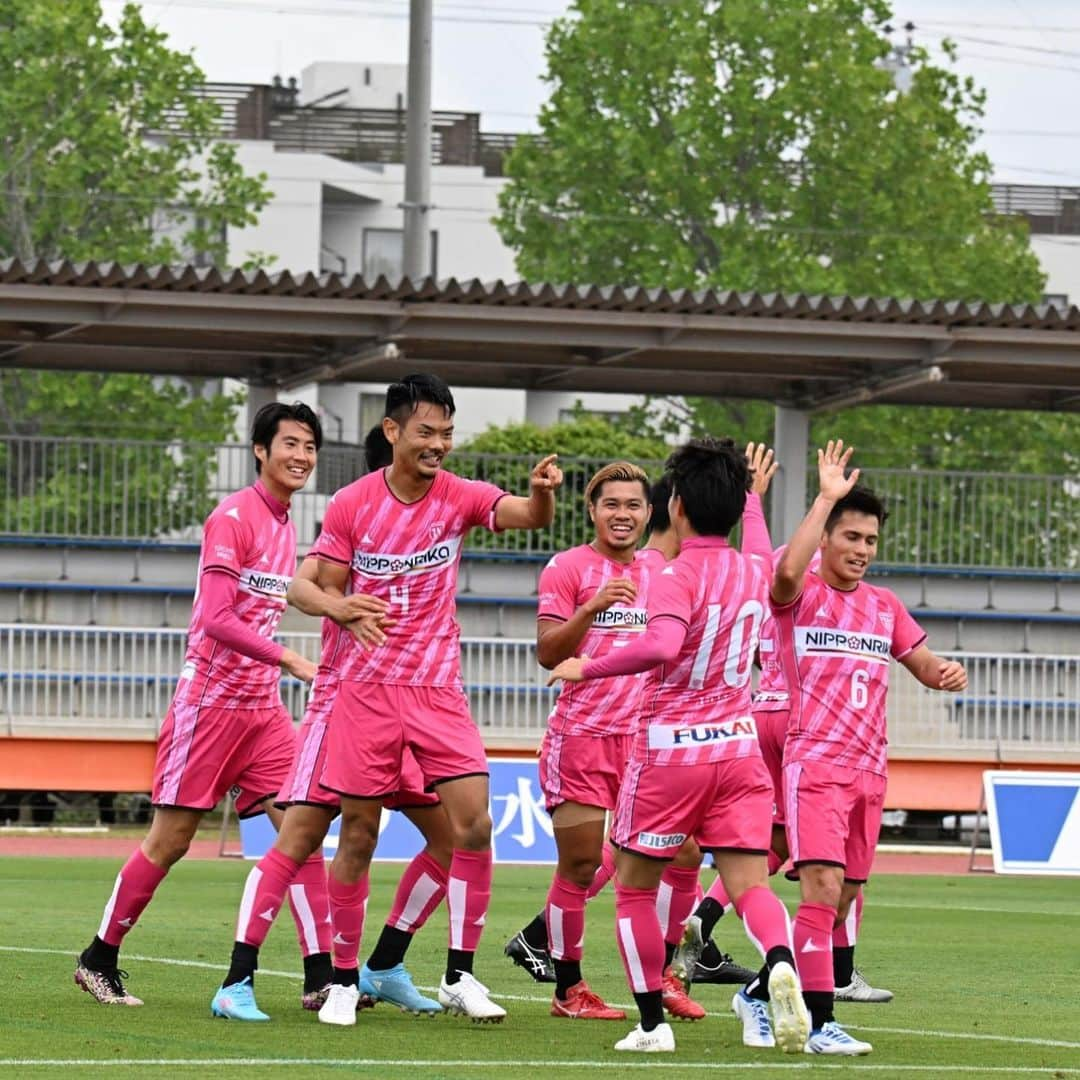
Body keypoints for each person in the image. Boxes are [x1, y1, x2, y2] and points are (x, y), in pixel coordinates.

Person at [304, 373, 562, 1023]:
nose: (438, 443)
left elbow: (526, 517)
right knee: (358, 833)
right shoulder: (352, 503)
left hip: (439, 691)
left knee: (473, 825)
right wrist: (342, 609)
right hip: (366, 692)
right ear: (392, 431)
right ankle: (341, 981)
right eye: (426, 432)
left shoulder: (460, 496)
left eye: (447, 433)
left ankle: (459, 975)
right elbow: (310, 588)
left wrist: (540, 496)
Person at [550, 438, 810, 1055]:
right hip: (739, 749)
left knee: (636, 888)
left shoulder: (673, 575)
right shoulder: (753, 570)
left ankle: (650, 1026)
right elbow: (761, 546)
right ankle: (777, 959)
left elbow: (663, 647)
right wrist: (753, 499)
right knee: (751, 885)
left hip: (669, 752)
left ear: (678, 508)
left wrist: (589, 667)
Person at [74, 402, 324, 1007]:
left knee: (302, 831)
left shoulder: (288, 523)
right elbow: (214, 618)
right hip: (209, 705)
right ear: (260, 451)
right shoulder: (233, 517)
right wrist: (289, 658)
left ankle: (324, 978)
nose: (301, 456)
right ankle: (98, 957)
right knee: (171, 840)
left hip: (262, 711)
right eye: (289, 443)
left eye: (310, 447)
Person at [210, 424, 455, 1024]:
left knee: (454, 838)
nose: (435, 460)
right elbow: (304, 584)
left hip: (412, 712)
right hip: (346, 711)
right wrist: (336, 609)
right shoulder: (351, 525)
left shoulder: (438, 526)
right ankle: (238, 980)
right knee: (299, 841)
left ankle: (384, 964)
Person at [764, 440, 967, 1055]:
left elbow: (923, 662)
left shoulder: (884, 607)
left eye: (870, 541)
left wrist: (943, 672)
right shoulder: (802, 599)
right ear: (826, 537)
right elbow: (783, 576)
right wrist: (823, 498)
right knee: (821, 889)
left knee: (848, 892)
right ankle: (820, 1024)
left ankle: (760, 992)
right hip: (814, 763)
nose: (860, 550)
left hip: (870, 770)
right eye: (850, 536)